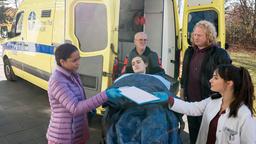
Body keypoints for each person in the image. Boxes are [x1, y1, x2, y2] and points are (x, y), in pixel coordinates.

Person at [46, 43, 123, 144]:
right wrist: (105, 95)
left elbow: (80, 99)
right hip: (63, 137)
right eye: (74, 60)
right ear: (62, 62)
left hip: (77, 133)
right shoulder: (57, 81)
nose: (78, 63)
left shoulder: (73, 74)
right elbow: (75, 108)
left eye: (79, 59)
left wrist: (90, 108)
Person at [163, 64, 256, 144]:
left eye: (216, 78)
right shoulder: (212, 101)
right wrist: (169, 100)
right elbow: (192, 108)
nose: (211, 80)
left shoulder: (244, 116)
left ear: (229, 83)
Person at [102, 55, 182, 144]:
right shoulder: (124, 78)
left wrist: (165, 98)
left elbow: (168, 95)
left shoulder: (157, 79)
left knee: (157, 120)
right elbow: (109, 93)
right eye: (133, 64)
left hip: (153, 106)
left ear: (146, 64)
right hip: (128, 106)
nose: (135, 65)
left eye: (138, 62)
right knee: (124, 123)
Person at [180, 20, 231, 144]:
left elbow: (228, 78)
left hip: (210, 102)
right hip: (191, 100)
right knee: (193, 133)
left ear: (209, 36)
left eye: (199, 35)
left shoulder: (219, 54)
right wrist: (182, 90)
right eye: (194, 34)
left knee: (208, 135)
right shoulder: (189, 51)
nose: (195, 37)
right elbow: (185, 74)